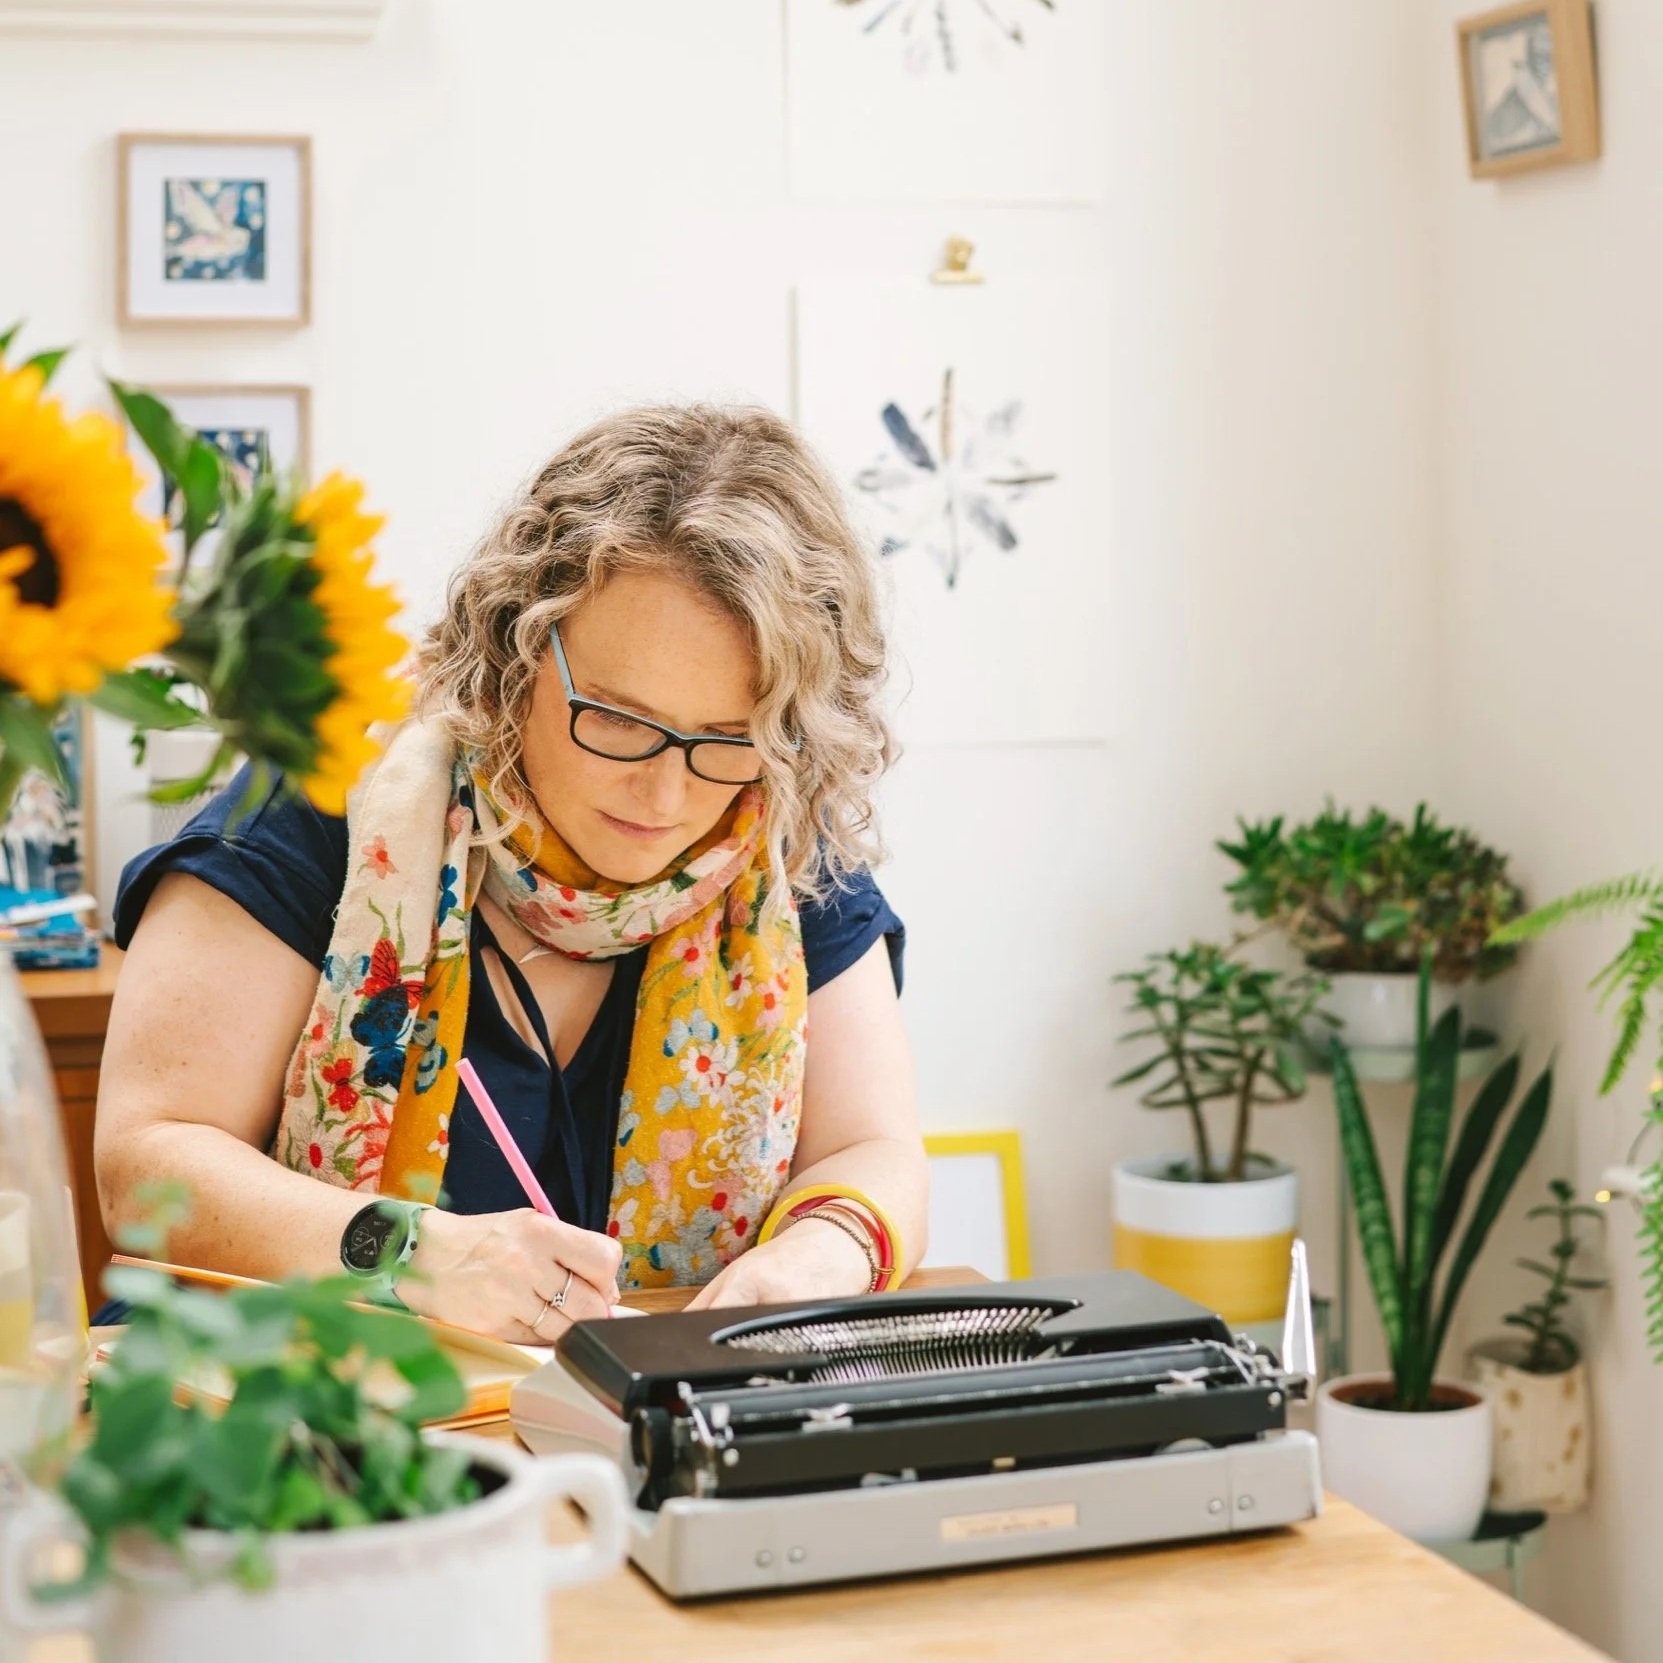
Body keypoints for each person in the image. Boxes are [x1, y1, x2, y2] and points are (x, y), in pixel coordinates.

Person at [94, 404, 925, 1344]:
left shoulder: (775, 839)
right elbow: (146, 1168)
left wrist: (815, 1254)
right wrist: (409, 1253)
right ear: (516, 649)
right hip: (267, 1407)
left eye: (726, 739)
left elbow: (874, 1149)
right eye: (615, 717)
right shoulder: (324, 798)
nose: (662, 790)